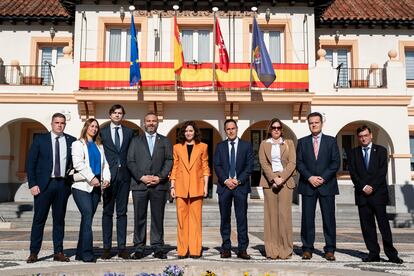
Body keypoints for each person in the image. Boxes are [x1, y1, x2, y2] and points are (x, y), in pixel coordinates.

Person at [26, 113, 76, 263]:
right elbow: (31, 163)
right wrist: (32, 184)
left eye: (62, 123)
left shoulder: (71, 141)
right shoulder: (40, 140)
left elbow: (75, 163)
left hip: (62, 185)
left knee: (59, 220)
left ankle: (58, 252)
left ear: (65, 124)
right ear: (52, 124)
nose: (59, 125)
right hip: (43, 186)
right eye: (57, 122)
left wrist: (71, 182)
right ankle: (34, 252)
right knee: (39, 220)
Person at [349, 125, 403, 264]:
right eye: (361, 136)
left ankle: (391, 254)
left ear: (371, 135)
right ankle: (373, 253)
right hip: (362, 195)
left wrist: (371, 186)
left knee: (383, 226)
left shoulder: (381, 151)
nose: (363, 138)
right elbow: (353, 173)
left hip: (378, 195)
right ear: (358, 138)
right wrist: (364, 186)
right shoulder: (353, 153)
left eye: (366, 135)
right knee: (367, 227)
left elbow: (382, 171)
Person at [127, 112, 173, 259]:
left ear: (157, 123)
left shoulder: (165, 141)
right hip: (140, 185)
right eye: (148, 121)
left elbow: (169, 160)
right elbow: (130, 161)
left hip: (159, 186)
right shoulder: (135, 141)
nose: (151, 123)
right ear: (144, 123)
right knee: (139, 217)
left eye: (154, 121)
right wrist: (141, 177)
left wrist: (160, 177)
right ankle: (139, 247)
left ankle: (158, 246)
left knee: (157, 217)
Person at [296, 112, 340, 261]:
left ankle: (329, 249)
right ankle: (307, 249)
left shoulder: (331, 141)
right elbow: (299, 163)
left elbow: (335, 163)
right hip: (308, 186)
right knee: (307, 219)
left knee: (329, 219)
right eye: (311, 123)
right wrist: (310, 177)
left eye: (316, 122)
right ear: (308, 124)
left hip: (326, 185)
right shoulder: (302, 142)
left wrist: (322, 178)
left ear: (322, 123)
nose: (314, 125)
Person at [71, 118, 111, 262]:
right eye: (91, 126)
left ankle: (79, 253)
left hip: (96, 188)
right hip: (81, 186)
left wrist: (106, 179)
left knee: (86, 220)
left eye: (96, 127)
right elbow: (78, 163)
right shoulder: (78, 144)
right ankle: (88, 254)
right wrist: (91, 177)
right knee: (87, 215)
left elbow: (105, 165)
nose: (94, 129)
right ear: (86, 127)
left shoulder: (100, 146)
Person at [214, 119, 254, 259]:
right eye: (228, 129)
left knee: (241, 218)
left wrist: (238, 180)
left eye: (233, 128)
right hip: (224, 188)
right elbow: (217, 165)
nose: (231, 131)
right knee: (225, 219)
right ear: (225, 131)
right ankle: (226, 248)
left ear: (237, 129)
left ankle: (242, 249)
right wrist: (226, 180)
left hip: (240, 187)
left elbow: (249, 166)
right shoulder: (220, 146)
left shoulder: (246, 146)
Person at [170, 121, 210, 258]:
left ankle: (195, 250)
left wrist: (205, 187)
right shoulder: (176, 147)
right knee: (181, 221)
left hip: (197, 187)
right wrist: (172, 186)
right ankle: (182, 250)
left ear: (195, 132)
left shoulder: (203, 147)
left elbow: (206, 168)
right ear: (183, 133)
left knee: (196, 221)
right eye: (186, 131)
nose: (188, 133)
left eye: (191, 131)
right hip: (181, 187)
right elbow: (174, 168)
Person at [258, 118, 296, 260]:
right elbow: (263, 163)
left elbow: (292, 163)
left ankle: (285, 250)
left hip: (285, 182)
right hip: (269, 183)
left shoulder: (289, 143)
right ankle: (272, 250)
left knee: (284, 217)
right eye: (273, 127)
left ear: (282, 129)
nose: (276, 130)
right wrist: (274, 178)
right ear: (270, 129)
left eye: (279, 127)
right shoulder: (263, 144)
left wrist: (281, 178)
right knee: (271, 217)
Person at [100, 104, 134, 259]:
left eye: (120, 113)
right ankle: (106, 248)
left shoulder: (129, 132)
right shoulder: (102, 132)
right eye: (114, 113)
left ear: (123, 115)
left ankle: (122, 247)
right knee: (107, 212)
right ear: (110, 115)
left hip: (124, 177)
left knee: (122, 213)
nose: (117, 115)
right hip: (108, 177)